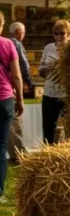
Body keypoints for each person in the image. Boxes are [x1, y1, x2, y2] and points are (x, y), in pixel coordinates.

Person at [0, 13, 23, 202]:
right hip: (4, 97)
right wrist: (20, 99)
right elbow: (16, 75)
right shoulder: (8, 45)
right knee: (1, 146)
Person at [39, 20, 70, 145]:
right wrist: (45, 70)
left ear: (68, 34)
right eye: (55, 33)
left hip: (67, 93)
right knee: (48, 126)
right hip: (50, 92)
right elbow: (41, 71)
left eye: (62, 33)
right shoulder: (49, 47)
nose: (58, 37)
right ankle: (48, 151)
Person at [7, 22, 33, 163]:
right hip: (7, 90)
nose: (23, 34)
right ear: (17, 32)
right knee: (13, 122)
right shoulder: (13, 44)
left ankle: (14, 153)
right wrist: (28, 81)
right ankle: (20, 153)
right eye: (22, 32)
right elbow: (22, 65)